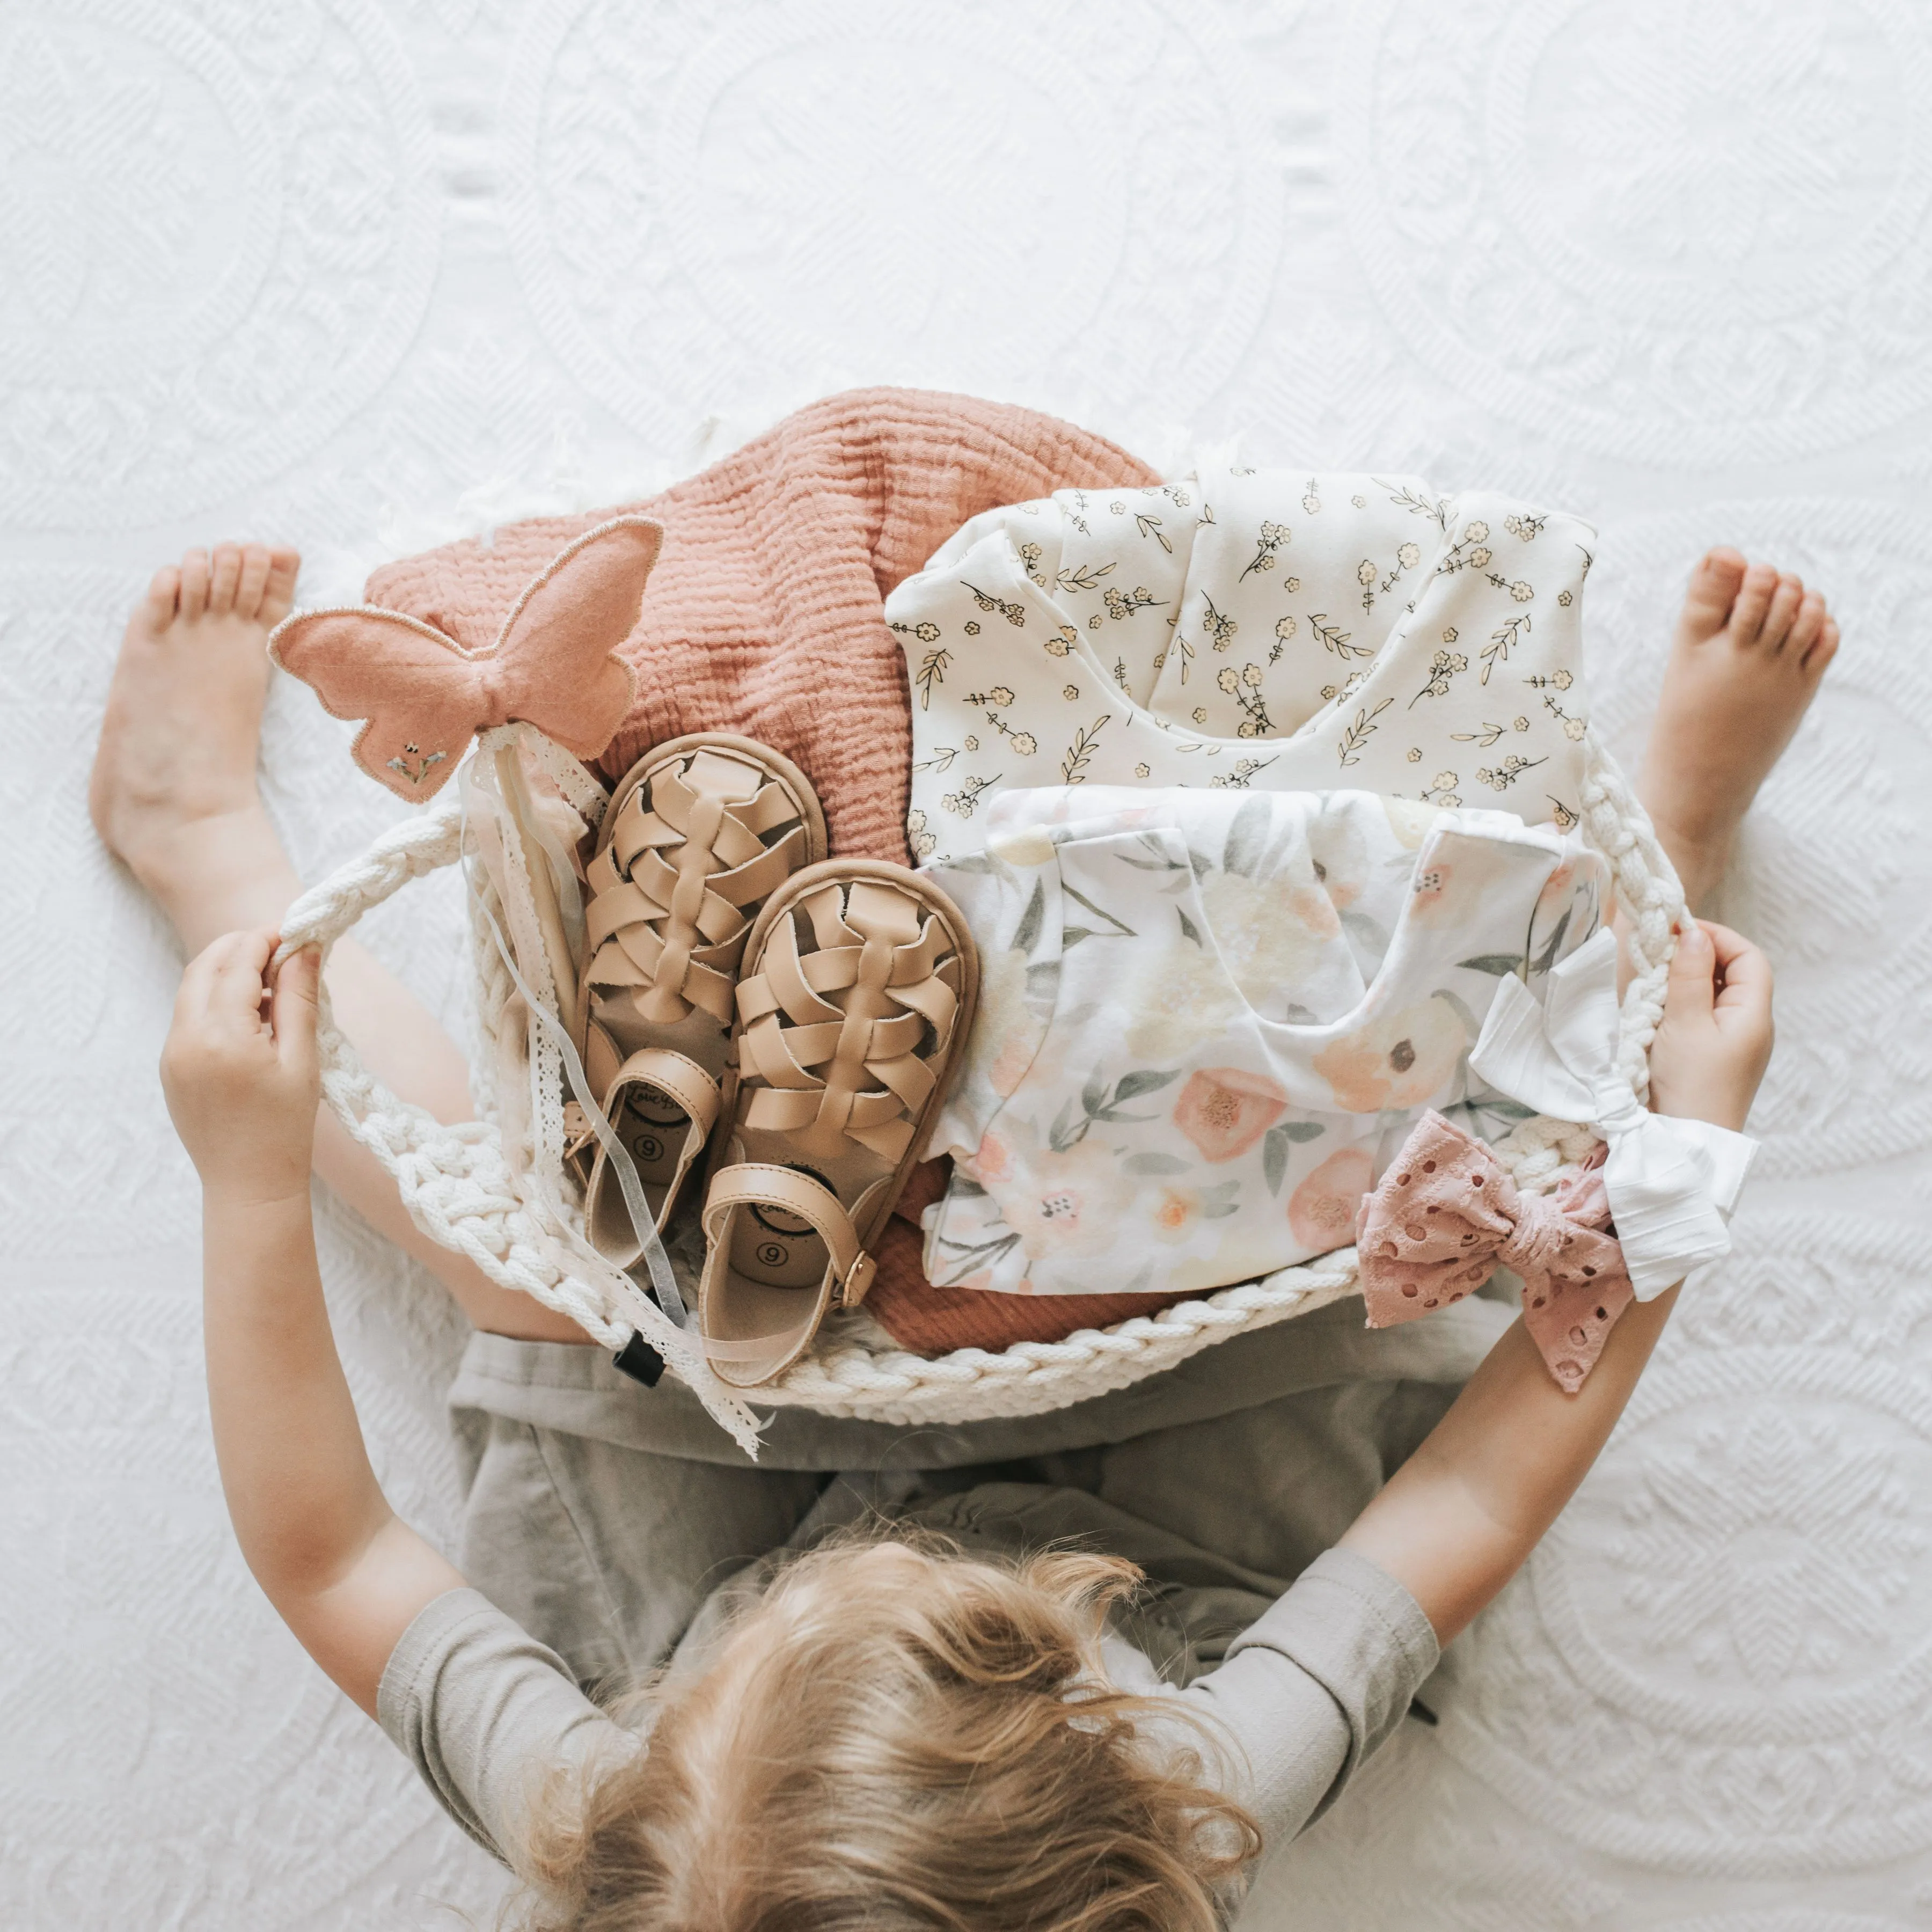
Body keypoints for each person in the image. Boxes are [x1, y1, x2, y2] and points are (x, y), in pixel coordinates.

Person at [95, 535, 1830, 1926]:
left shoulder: (604, 1831)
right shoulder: (1187, 1795)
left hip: (693, 1525)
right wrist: (1680, 1139)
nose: (892, 1540)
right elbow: (1470, 1497)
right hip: (1161, 1494)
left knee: (537, 1245)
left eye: (832, 1611)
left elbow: (332, 1557)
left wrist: (243, 1173)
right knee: (1368, 1197)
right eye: (938, 1598)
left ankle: (205, 855)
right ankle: (1657, 872)